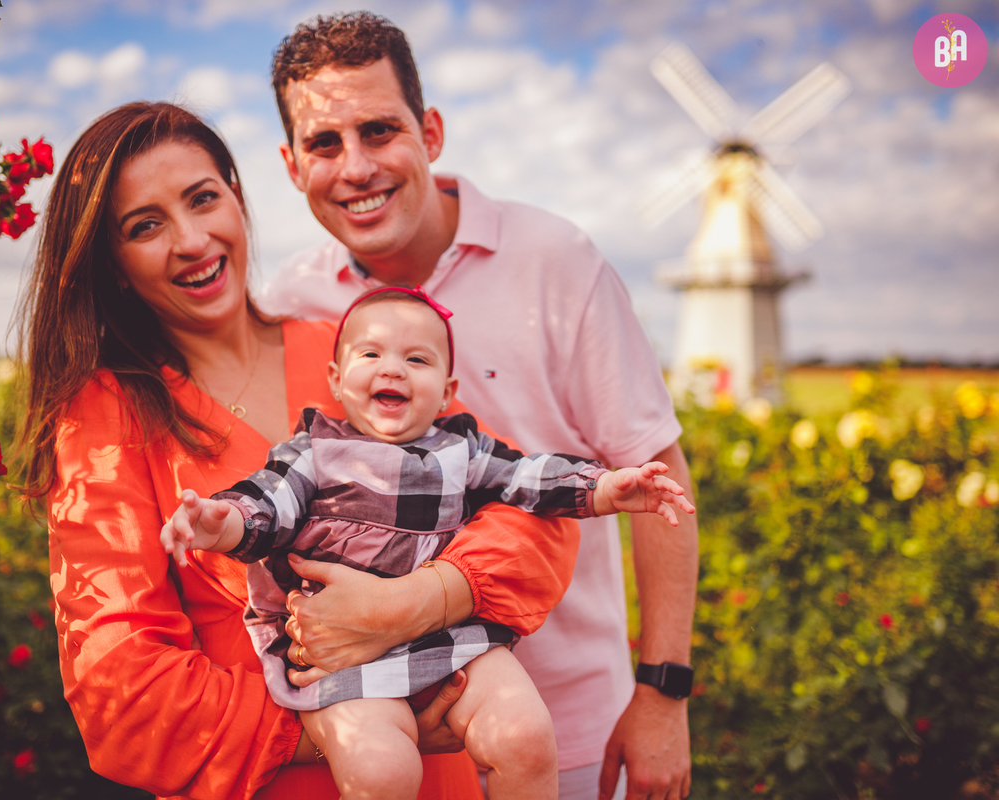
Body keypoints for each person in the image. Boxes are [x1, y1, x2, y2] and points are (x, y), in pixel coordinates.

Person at [15, 101, 582, 800]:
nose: (191, 240)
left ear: (236, 197)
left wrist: (416, 603)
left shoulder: (353, 351)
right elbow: (121, 691)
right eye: (145, 226)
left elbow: (532, 513)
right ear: (115, 265)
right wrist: (364, 720)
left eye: (203, 198)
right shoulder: (105, 415)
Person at [260, 12, 700, 800]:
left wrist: (663, 693)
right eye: (325, 143)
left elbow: (656, 471)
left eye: (379, 130)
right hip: (390, 732)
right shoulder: (294, 297)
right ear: (293, 166)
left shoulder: (556, 263)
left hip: (564, 731)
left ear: (430, 132)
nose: (355, 167)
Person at [162, 287, 695, 800]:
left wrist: (605, 487)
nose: (392, 368)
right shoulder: (313, 451)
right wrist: (219, 523)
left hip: (445, 636)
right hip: (340, 654)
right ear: (337, 379)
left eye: (417, 359)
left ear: (445, 391)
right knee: (383, 772)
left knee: (527, 738)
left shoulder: (461, 449)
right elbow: (267, 504)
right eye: (371, 354)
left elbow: (529, 477)